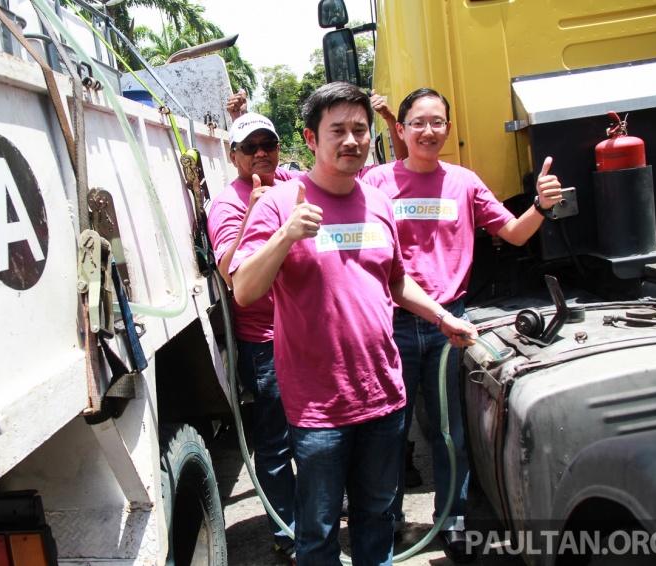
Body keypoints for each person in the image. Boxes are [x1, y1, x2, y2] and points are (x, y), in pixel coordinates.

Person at [229, 81, 477, 565]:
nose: (351, 140)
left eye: (359, 129)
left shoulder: (378, 202)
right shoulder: (281, 204)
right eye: (337, 130)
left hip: (383, 396)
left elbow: (397, 281)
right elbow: (244, 289)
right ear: (310, 138)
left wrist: (444, 316)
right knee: (319, 530)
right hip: (320, 406)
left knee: (377, 514)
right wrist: (285, 235)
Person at [360, 87, 563, 563]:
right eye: (418, 123)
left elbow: (512, 233)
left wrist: (542, 206)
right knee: (389, 431)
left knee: (449, 432)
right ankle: (386, 522)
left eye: (437, 122)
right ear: (402, 129)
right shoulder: (376, 183)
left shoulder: (464, 182)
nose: (428, 131)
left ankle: (451, 523)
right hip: (390, 323)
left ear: (448, 129)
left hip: (450, 328)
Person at [207, 111, 298, 564]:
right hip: (266, 341)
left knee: (320, 435)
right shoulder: (227, 203)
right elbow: (229, 272)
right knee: (277, 442)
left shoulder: (292, 182)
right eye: (250, 147)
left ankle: (315, 516)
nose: (262, 153)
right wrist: (258, 208)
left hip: (309, 332)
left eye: (269, 144)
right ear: (234, 155)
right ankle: (287, 530)